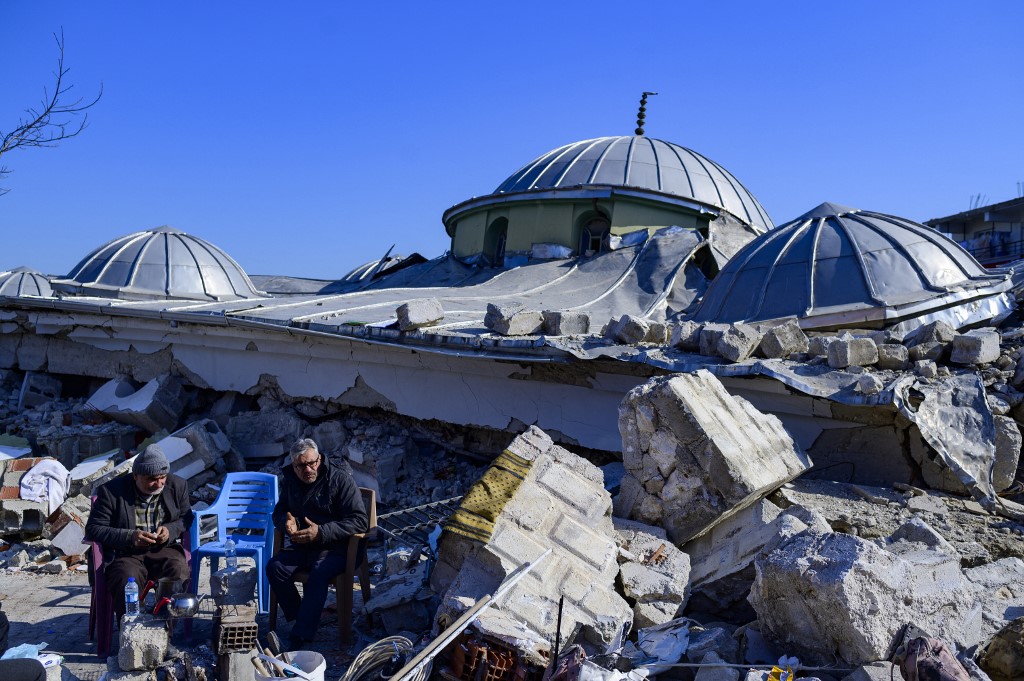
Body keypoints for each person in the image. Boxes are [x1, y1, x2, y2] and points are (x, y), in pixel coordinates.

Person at [268, 438, 367, 650]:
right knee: (275, 567)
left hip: (339, 548)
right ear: (294, 466)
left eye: (313, 462)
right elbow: (278, 511)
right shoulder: (291, 481)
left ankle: (301, 636)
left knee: (318, 573)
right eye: (302, 465)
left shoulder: (340, 479)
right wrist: (286, 524)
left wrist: (322, 532)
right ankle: (302, 616)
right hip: (306, 546)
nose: (309, 469)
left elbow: (360, 520)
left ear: (319, 458)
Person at [84, 443, 192, 622]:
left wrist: (169, 530)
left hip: (162, 550)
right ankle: (132, 632)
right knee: (126, 578)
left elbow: (186, 518)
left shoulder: (177, 485)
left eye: (162, 477)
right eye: (151, 479)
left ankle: (165, 629)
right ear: (135, 476)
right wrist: (130, 536)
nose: (158, 484)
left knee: (178, 569)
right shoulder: (112, 491)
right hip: (125, 553)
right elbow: (94, 529)